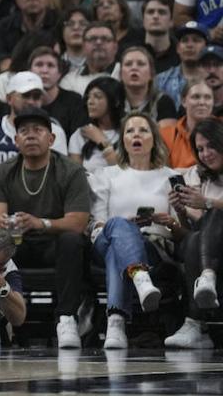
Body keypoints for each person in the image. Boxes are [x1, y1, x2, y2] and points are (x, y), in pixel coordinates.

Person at [0, 109, 92, 349]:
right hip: (17, 243)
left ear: (51, 139)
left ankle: (66, 318)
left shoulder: (70, 170)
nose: (31, 136)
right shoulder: (4, 171)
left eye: (38, 130)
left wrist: (40, 222)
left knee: (72, 240)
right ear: (16, 141)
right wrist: (3, 224)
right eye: (24, 131)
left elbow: (78, 222)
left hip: (54, 243)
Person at [88, 113, 179, 349]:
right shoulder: (107, 175)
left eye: (143, 130)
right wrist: (125, 225)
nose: (136, 134)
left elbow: (180, 231)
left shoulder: (170, 177)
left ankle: (116, 321)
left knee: (116, 254)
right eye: (130, 131)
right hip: (106, 238)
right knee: (119, 225)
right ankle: (139, 276)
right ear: (123, 140)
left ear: (154, 139)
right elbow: (98, 223)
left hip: (153, 246)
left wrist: (168, 221)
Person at [165, 119, 223, 349]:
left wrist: (208, 203)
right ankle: (195, 325)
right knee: (192, 238)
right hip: (210, 248)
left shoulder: (206, 193)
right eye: (200, 149)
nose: (205, 154)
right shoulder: (203, 179)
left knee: (217, 213)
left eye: (211, 146)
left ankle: (207, 277)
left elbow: (213, 213)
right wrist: (180, 212)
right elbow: (196, 231)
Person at [0, 74, 70, 163]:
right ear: (9, 98)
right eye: (26, 95)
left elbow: (59, 172)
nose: (31, 102)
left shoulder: (54, 132)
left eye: (36, 97)